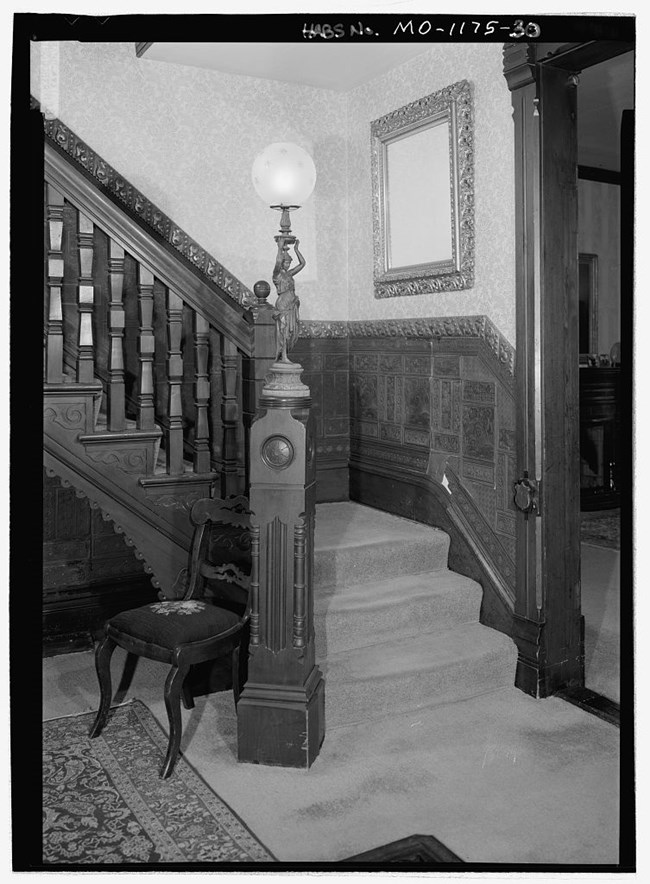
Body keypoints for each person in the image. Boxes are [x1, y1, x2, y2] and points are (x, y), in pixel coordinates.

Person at [272, 237, 305, 363]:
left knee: (291, 332)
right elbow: (277, 261)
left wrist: (296, 249)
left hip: (292, 305)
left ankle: (285, 355)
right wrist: (280, 248)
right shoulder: (277, 275)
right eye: (286, 263)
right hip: (283, 305)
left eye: (289, 263)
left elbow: (302, 264)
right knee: (283, 331)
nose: (288, 265)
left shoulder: (289, 274)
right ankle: (283, 356)